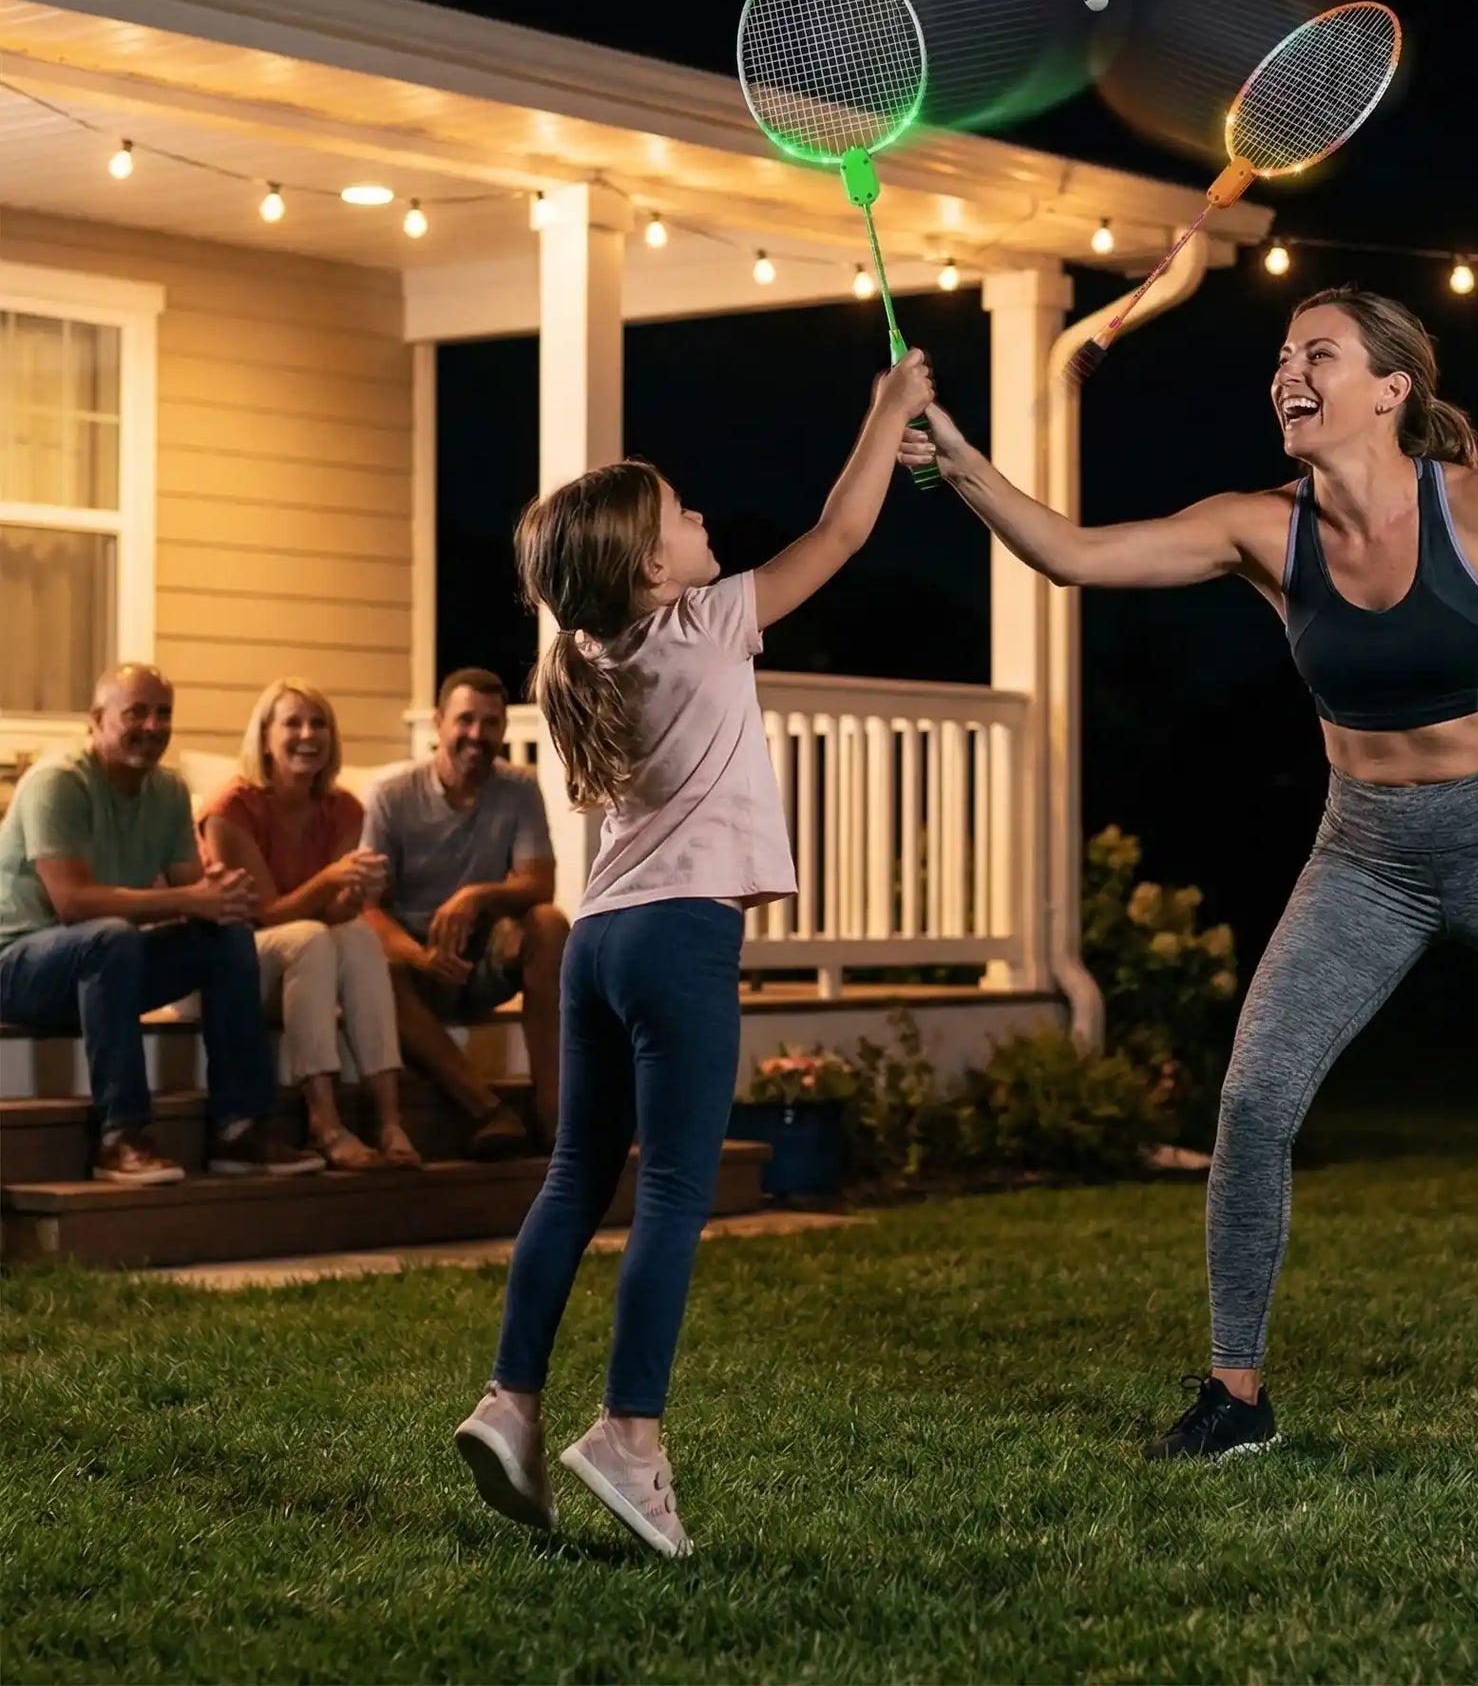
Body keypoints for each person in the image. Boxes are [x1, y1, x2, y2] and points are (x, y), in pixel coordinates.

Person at [898, 286, 1478, 1453]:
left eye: (1317, 353)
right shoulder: (1259, 526)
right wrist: (955, 457)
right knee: (1254, 1096)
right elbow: (1069, 554)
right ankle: (1235, 1397)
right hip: (1364, 850)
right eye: (1279, 356)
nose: (1285, 373)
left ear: (1391, 389)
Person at [454, 347, 936, 1555]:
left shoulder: (587, 656)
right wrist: (884, 410)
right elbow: (836, 532)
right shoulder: (704, 623)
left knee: (576, 1175)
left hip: (599, 943)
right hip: (677, 940)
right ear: (650, 565)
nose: (704, 515)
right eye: (681, 511)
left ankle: (510, 1400)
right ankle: (628, 1433)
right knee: (671, 1190)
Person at [0, 664, 323, 1184]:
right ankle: (120, 1135)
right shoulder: (58, 782)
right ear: (97, 719)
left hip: (106, 962)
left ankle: (239, 1130)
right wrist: (192, 898)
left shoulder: (168, 792)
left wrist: (221, 896)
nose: (152, 726)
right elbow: (72, 903)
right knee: (111, 936)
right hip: (18, 965)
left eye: (163, 714)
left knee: (225, 938)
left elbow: (193, 893)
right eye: (137, 712)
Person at [201, 678, 421, 1169]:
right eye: (293, 723)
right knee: (311, 939)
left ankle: (389, 1120)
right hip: (226, 963)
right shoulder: (230, 810)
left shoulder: (343, 807)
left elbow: (335, 910)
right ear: (264, 737)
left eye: (318, 723)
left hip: (301, 961)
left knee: (359, 937)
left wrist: (356, 893)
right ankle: (323, 1120)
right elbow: (260, 914)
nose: (308, 734)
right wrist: (328, 883)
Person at [360, 671, 567, 1159]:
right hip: (415, 967)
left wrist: (476, 896)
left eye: (490, 723)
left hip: (482, 956)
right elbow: (367, 907)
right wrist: (419, 955)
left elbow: (539, 884)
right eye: (465, 720)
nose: (477, 734)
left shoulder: (519, 789)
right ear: (438, 723)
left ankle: (556, 1116)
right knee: (372, 966)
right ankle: (489, 1109)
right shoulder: (392, 796)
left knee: (550, 925)